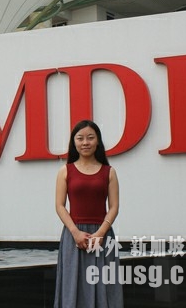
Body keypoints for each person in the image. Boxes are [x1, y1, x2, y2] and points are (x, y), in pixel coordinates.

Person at [53, 120, 123, 307]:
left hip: (103, 236)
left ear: (98, 141)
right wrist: (75, 232)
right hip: (73, 236)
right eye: (80, 138)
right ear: (74, 142)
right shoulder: (65, 171)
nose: (85, 142)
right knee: (72, 286)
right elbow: (60, 206)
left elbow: (114, 207)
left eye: (90, 138)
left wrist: (100, 233)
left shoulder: (109, 172)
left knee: (105, 285)